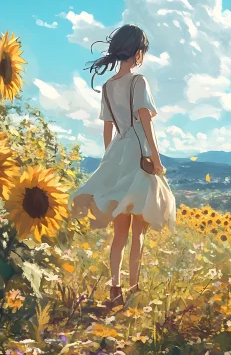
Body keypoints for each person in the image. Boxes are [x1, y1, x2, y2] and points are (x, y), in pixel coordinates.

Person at [68, 24, 176, 309]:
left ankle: (114, 288)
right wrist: (156, 158)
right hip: (138, 153)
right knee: (137, 232)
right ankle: (134, 288)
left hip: (118, 152)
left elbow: (107, 128)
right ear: (138, 52)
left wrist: (110, 159)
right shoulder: (138, 82)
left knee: (119, 233)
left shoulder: (107, 86)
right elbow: (146, 122)